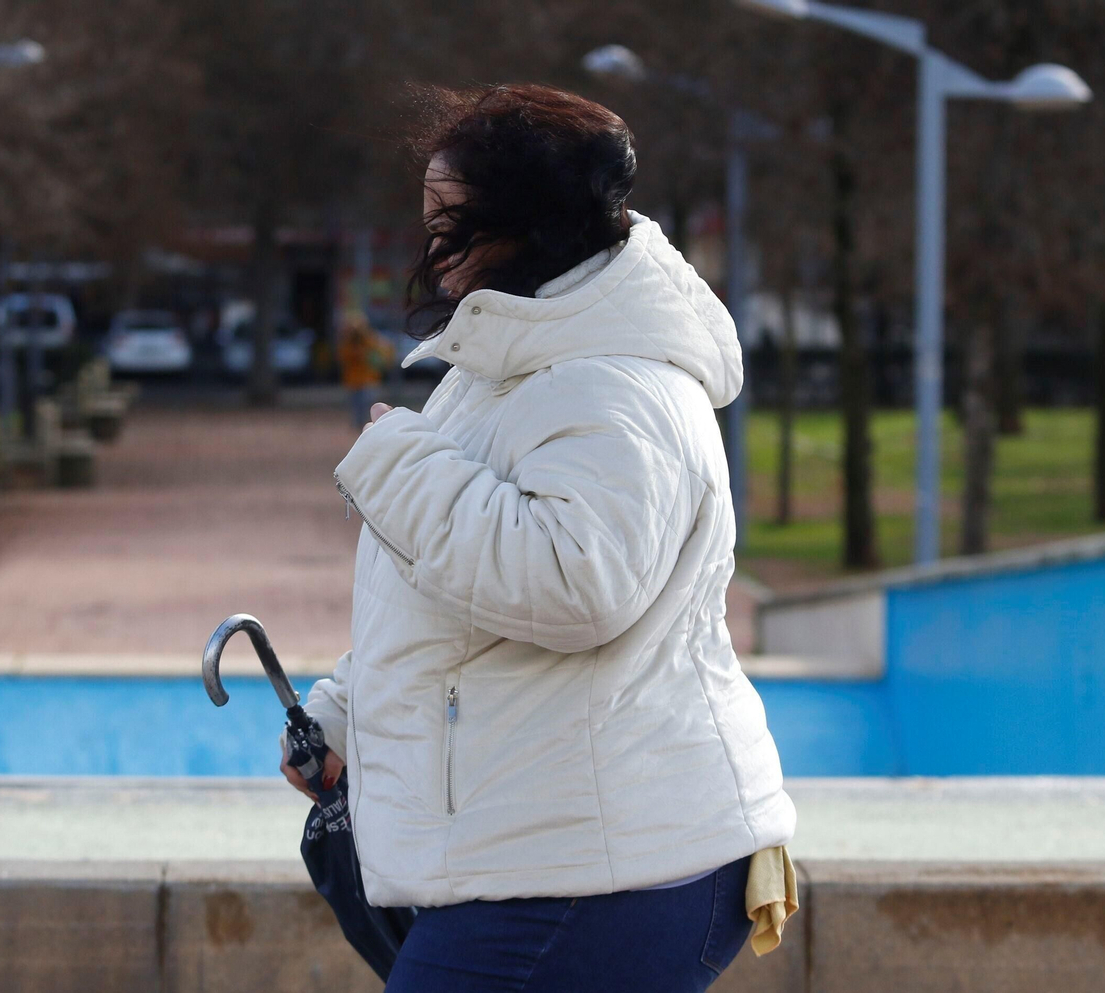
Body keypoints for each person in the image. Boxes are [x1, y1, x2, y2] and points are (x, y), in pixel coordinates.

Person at [286, 85, 796, 991]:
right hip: (554, 855)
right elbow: (461, 609)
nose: (433, 247)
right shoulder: (508, 363)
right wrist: (350, 720)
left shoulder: (614, 384)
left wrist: (399, 465)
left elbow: (574, 585)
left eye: (454, 221)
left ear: (529, 226)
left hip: (603, 869)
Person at [337, 312, 394, 428]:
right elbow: (343, 357)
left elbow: (384, 354)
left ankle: (368, 428)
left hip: (369, 381)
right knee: (356, 408)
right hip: (353, 382)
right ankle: (359, 429)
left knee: (369, 407)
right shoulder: (347, 343)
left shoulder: (371, 340)